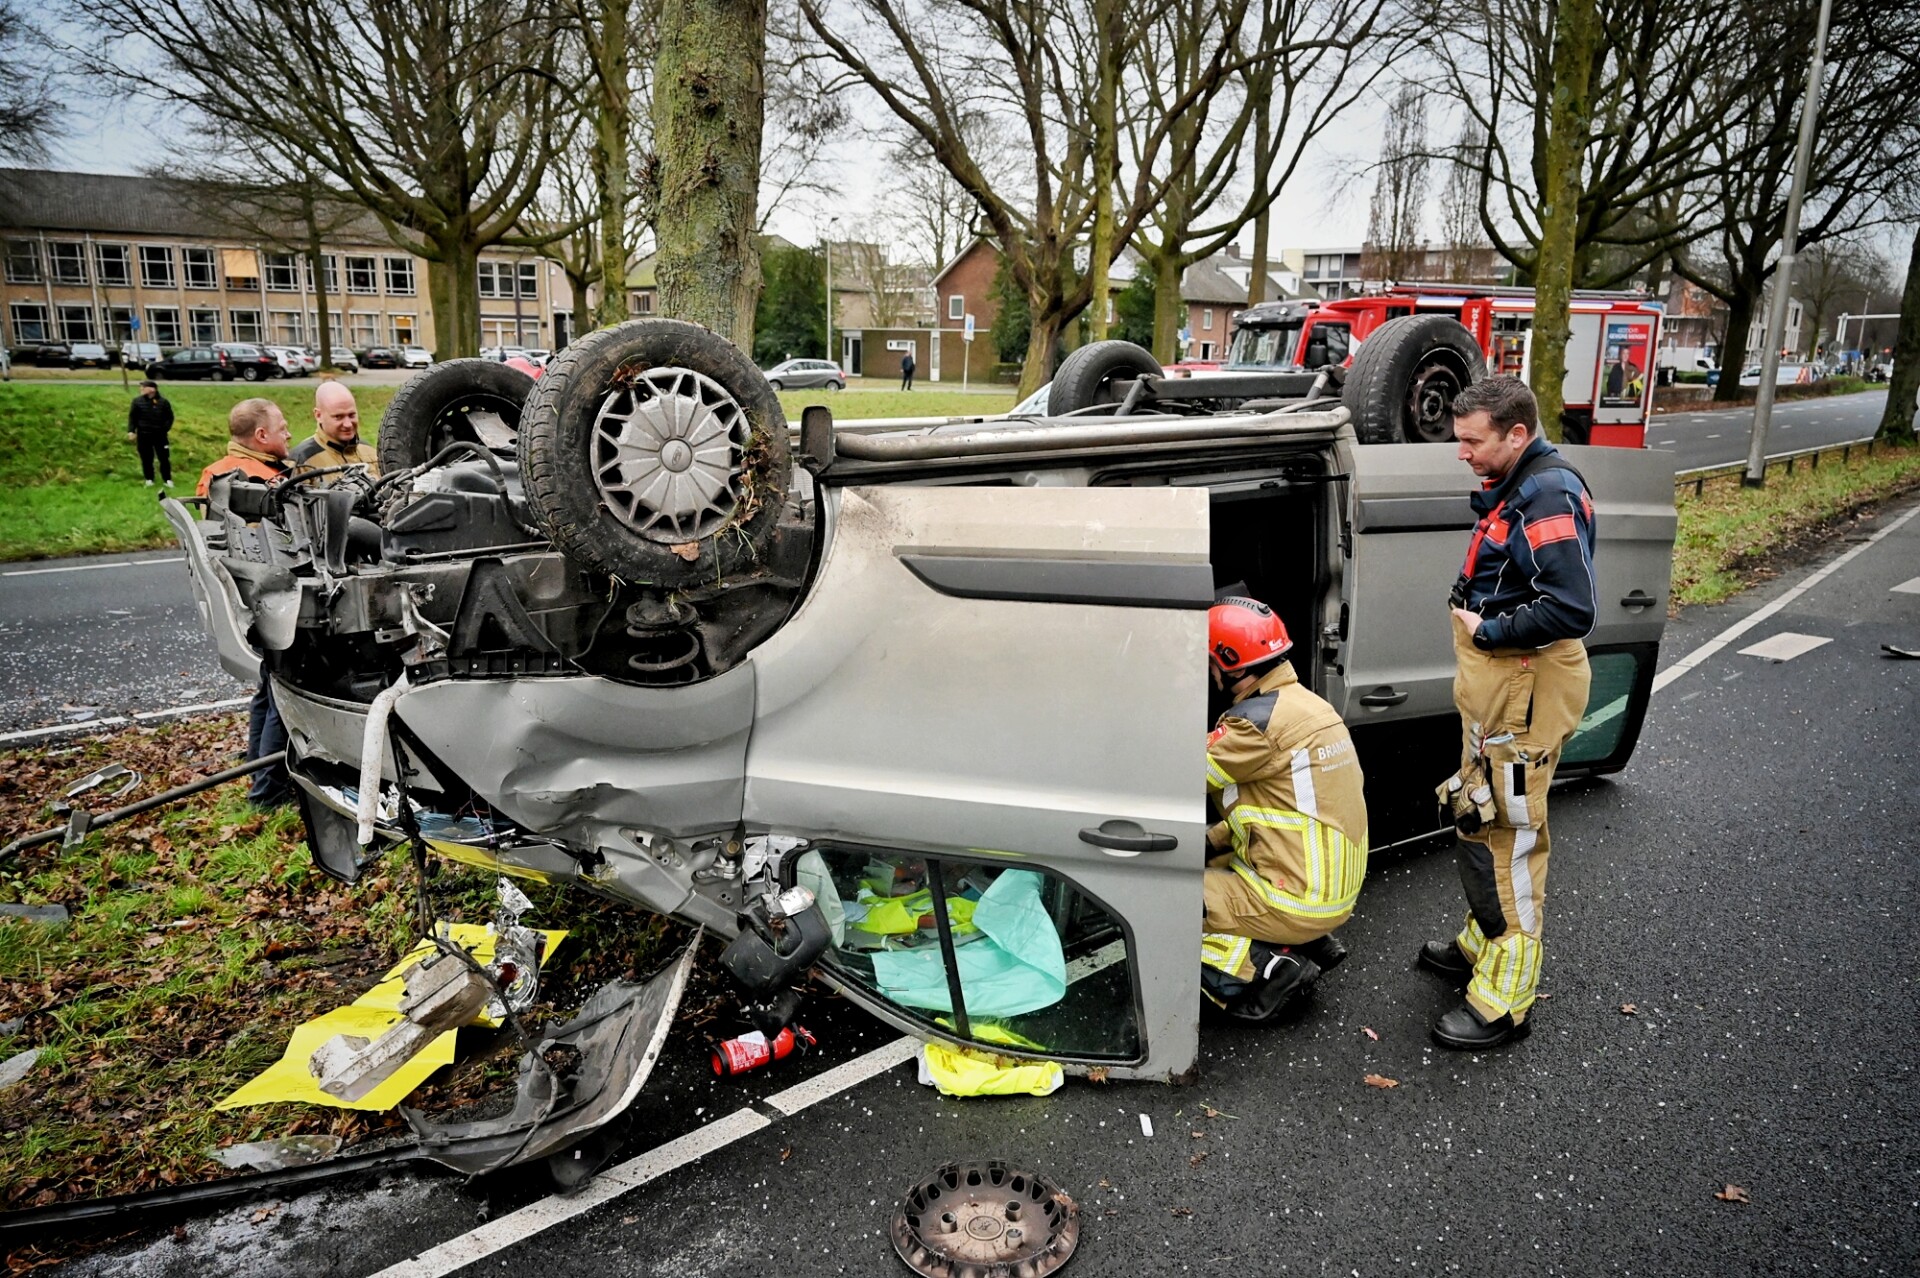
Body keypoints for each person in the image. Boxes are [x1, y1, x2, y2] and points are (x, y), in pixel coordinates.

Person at [1422, 374, 1597, 1050]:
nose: (1461, 452)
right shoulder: (1519, 486)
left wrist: (1489, 631)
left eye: (1473, 442)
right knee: (1478, 807)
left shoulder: (1546, 493)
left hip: (1522, 684)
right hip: (1501, 688)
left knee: (1510, 834)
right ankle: (1483, 939)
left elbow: (1570, 607)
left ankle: (1506, 998)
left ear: (1516, 434)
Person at [1201, 595, 1369, 1022]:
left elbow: (1174, 782)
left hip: (1297, 898)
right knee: (1211, 856)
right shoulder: (1309, 706)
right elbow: (1279, 810)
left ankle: (1272, 968)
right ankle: (1309, 940)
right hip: (1329, 889)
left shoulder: (1251, 726)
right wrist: (1212, 840)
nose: (1207, 673)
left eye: (1209, 664)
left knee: (1167, 899)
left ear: (1234, 665)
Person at [196, 399, 296, 809]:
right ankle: (269, 792)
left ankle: (258, 765)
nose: (289, 434)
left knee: (266, 689)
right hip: (270, 601)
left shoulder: (214, 473)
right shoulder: (261, 481)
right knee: (283, 694)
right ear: (261, 436)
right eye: (283, 428)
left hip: (238, 601)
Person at [291, 381, 379, 480]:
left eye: (352, 415)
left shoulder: (371, 452)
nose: (348, 424)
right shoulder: (301, 461)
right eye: (338, 417)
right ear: (318, 415)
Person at [127, 379, 174, 487]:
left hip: (160, 435)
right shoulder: (137, 402)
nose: (141, 389)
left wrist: (164, 429)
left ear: (152, 389)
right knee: (146, 458)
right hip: (143, 435)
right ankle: (149, 479)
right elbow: (132, 417)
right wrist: (131, 431)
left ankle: (167, 479)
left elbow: (169, 418)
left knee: (164, 458)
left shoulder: (163, 402)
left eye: (144, 387)